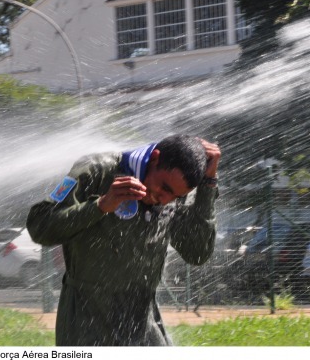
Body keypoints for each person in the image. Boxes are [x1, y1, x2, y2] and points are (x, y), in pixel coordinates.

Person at [27, 135, 220, 346]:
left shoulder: (175, 191)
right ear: (155, 158)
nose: (164, 200)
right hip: (87, 320)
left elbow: (198, 252)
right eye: (164, 188)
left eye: (174, 196)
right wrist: (100, 206)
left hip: (142, 320)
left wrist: (208, 186)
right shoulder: (98, 170)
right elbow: (40, 226)